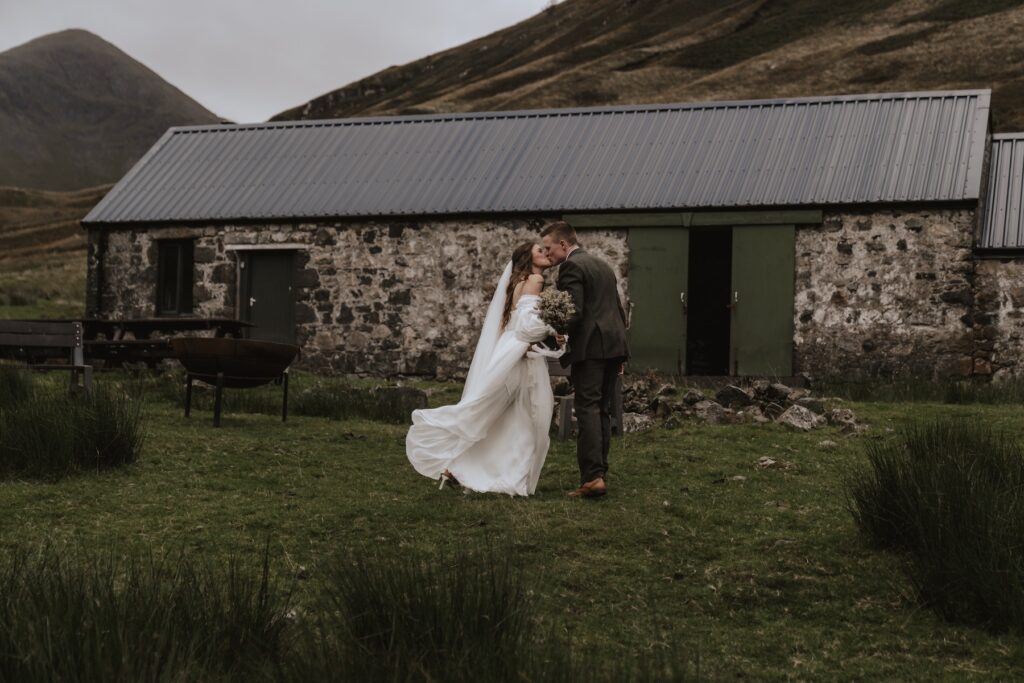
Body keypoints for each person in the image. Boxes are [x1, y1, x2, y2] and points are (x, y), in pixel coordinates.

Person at [405, 242, 565, 496]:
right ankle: (499, 474)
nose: (546, 254)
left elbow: (518, 320)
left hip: (509, 347)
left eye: (546, 250)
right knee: (528, 416)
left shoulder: (518, 281)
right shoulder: (535, 279)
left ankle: (461, 469)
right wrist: (554, 324)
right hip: (520, 352)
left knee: (503, 415)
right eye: (539, 251)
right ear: (527, 258)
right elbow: (528, 327)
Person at [541, 221, 629, 499]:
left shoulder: (571, 267)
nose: (547, 254)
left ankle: (592, 478)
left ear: (564, 245)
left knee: (588, 407)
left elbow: (574, 311)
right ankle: (599, 473)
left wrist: (555, 330)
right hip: (614, 346)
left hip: (592, 348)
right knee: (602, 409)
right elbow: (617, 308)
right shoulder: (602, 265)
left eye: (549, 247)